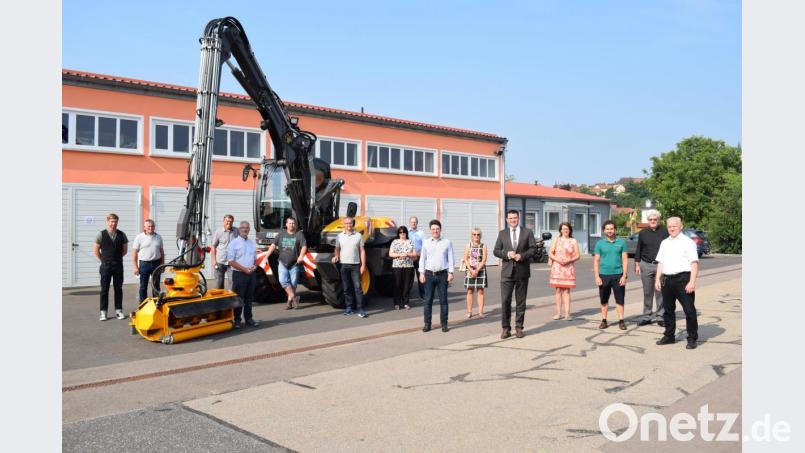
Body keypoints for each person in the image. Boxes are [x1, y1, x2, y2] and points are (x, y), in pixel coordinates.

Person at [654, 217, 700, 350]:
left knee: (689, 310)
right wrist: (657, 279)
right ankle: (669, 336)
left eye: (675, 226)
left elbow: (694, 263)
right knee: (668, 311)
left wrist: (692, 282)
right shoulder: (664, 243)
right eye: (669, 226)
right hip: (667, 280)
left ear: (681, 226)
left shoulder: (688, 242)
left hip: (683, 280)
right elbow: (661, 262)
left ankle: (692, 338)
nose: (672, 228)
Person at [493, 210, 537, 339]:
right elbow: (496, 251)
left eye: (515, 218)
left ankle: (519, 328)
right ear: (507, 220)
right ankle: (506, 328)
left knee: (521, 302)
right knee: (505, 301)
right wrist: (507, 254)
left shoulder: (527, 232)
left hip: (522, 272)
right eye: (510, 218)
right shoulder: (502, 234)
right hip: (507, 273)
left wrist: (521, 256)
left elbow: (533, 249)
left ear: (518, 218)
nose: (513, 220)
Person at [634, 211, 670, 326]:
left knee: (660, 292)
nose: (653, 221)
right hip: (646, 264)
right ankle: (646, 316)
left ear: (658, 220)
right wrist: (637, 263)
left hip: (661, 265)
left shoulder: (665, 232)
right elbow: (639, 248)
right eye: (650, 219)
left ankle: (660, 316)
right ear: (648, 221)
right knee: (647, 292)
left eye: (655, 219)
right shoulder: (643, 233)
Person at [418, 219, 455, 332]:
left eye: (437, 229)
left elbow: (451, 258)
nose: (435, 231)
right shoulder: (426, 242)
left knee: (443, 301)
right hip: (429, 275)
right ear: (430, 230)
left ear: (440, 229)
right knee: (428, 300)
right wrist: (421, 273)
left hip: (442, 275)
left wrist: (451, 272)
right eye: (433, 229)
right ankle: (427, 324)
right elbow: (422, 259)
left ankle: (444, 324)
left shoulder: (447, 242)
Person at [593, 220, 629, 330]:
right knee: (604, 299)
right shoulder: (600, 244)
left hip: (618, 275)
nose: (610, 231)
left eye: (612, 229)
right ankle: (604, 320)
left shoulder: (621, 243)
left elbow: (625, 259)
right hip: (604, 275)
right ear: (604, 230)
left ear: (615, 230)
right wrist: (597, 276)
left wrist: (624, 275)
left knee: (620, 299)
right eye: (607, 229)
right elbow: (596, 261)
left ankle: (621, 321)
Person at [266, 217, 307, 309]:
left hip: (294, 263)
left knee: (293, 284)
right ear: (286, 224)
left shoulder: (299, 234)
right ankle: (294, 298)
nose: (291, 225)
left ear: (295, 224)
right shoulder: (281, 234)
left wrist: (301, 256)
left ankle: (289, 301)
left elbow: (304, 246)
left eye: (293, 223)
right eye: (290, 223)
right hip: (282, 263)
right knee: (283, 281)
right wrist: (266, 256)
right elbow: (273, 245)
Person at [94, 213, 129, 321]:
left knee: (118, 289)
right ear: (108, 222)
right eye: (111, 221)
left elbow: (125, 251)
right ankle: (103, 312)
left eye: (115, 221)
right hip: (105, 266)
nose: (113, 223)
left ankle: (119, 311)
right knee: (104, 289)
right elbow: (96, 250)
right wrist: (103, 260)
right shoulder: (101, 234)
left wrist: (116, 258)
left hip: (118, 266)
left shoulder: (122, 235)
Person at [226, 221, 260, 328]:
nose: (245, 230)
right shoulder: (234, 243)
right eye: (243, 228)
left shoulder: (251, 243)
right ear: (239, 229)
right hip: (239, 274)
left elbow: (255, 260)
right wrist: (245, 270)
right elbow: (231, 261)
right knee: (239, 298)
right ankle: (237, 320)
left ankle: (249, 319)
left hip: (251, 274)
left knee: (249, 298)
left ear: (249, 230)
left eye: (247, 228)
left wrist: (254, 266)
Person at [332, 217, 368, 318]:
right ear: (344, 224)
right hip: (343, 265)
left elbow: (362, 251)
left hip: (355, 265)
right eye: (346, 223)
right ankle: (349, 308)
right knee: (346, 288)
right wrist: (336, 256)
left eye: (350, 223)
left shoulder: (358, 236)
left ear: (353, 224)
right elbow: (337, 248)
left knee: (358, 288)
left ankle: (361, 309)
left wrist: (363, 265)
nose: (348, 225)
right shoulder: (339, 236)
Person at [548, 222, 580, 321]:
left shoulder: (573, 240)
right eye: (563, 229)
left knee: (566, 291)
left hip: (568, 268)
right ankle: (558, 314)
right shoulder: (556, 240)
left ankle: (567, 314)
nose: (565, 230)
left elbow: (578, 255)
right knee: (558, 291)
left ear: (570, 230)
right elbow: (550, 252)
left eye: (567, 229)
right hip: (557, 267)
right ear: (560, 230)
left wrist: (569, 260)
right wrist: (557, 259)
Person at [131, 219, 165, 303]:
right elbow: (134, 253)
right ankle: (143, 304)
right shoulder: (139, 237)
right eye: (149, 226)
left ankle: (157, 303)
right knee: (143, 286)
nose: (151, 228)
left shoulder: (158, 237)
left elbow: (162, 252)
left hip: (156, 264)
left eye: (152, 226)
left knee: (156, 286)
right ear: (145, 227)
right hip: (144, 264)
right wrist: (135, 267)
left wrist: (163, 264)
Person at [389, 225, 417, 310]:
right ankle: (397, 303)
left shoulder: (410, 242)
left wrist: (408, 254)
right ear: (398, 233)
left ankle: (406, 302)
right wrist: (399, 255)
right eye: (400, 232)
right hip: (397, 266)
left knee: (407, 285)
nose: (402, 234)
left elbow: (415, 255)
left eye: (404, 232)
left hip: (408, 266)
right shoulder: (395, 242)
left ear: (406, 233)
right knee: (397, 284)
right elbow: (391, 254)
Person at [462, 227, 488, 318]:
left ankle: (480, 312)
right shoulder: (467, 246)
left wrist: (477, 270)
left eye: (478, 234)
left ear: (480, 236)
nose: (476, 236)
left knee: (480, 291)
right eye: (474, 234)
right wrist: (471, 269)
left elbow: (484, 260)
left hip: (480, 270)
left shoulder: (483, 246)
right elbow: (465, 259)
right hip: (470, 270)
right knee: (470, 291)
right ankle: (469, 312)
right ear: (471, 236)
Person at [211, 214, 237, 290]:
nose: (229, 223)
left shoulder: (236, 231)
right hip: (220, 262)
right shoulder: (218, 232)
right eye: (227, 221)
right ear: (224, 221)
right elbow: (213, 246)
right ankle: (219, 301)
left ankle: (231, 300)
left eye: (231, 221)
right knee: (219, 284)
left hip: (232, 262)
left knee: (232, 283)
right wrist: (213, 261)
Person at [408, 216, 426, 300]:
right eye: (412, 222)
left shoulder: (421, 233)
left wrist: (420, 254)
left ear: (417, 223)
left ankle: (423, 295)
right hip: (409, 257)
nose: (413, 223)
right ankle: (407, 297)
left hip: (419, 257)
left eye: (415, 222)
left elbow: (425, 246)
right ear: (409, 223)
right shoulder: (406, 232)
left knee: (421, 276)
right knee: (409, 278)